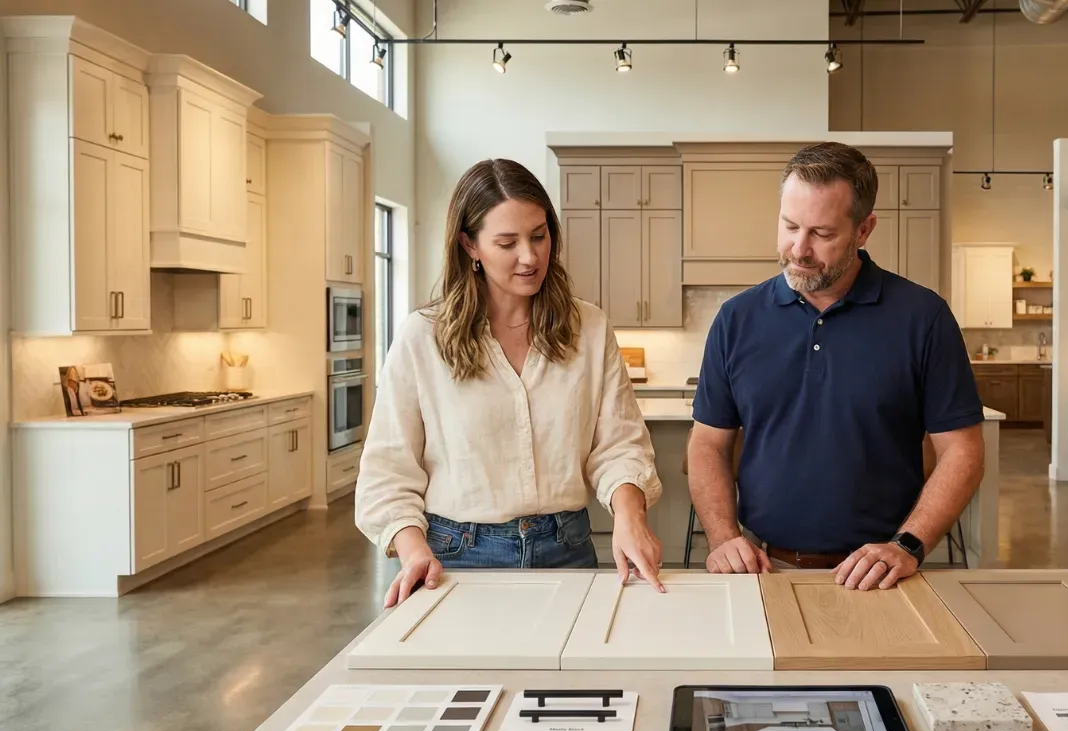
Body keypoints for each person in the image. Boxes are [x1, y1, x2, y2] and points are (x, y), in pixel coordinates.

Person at [356, 158, 666, 608]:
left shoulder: (590, 328)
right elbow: (388, 471)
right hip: (456, 559)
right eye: (507, 242)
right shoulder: (422, 337)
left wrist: (630, 514)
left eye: (539, 236)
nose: (530, 256)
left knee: (568, 682)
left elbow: (619, 445)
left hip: (570, 549)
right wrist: (412, 549)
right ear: (470, 245)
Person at [686, 141, 985, 591]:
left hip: (882, 575)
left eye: (822, 234)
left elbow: (962, 451)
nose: (798, 249)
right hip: (764, 570)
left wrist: (908, 544)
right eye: (789, 226)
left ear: (864, 230)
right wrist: (724, 538)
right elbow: (708, 445)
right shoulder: (737, 318)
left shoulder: (923, 318)